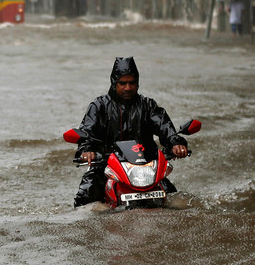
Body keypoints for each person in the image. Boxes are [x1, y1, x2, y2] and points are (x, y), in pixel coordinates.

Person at [73, 57, 188, 207]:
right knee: (86, 199)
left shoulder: (148, 105)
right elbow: (87, 132)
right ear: (114, 83)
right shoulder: (99, 106)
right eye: (122, 83)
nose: (128, 87)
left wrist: (176, 144)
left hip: (145, 168)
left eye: (132, 83)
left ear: (137, 83)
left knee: (177, 202)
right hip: (107, 167)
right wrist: (86, 151)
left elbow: (165, 127)